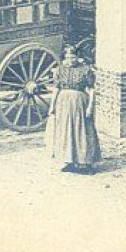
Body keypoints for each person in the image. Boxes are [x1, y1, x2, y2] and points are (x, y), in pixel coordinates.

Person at [47, 44, 101, 173]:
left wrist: (90, 107)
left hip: (80, 102)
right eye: (67, 57)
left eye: (73, 57)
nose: (70, 60)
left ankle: (86, 163)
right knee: (66, 131)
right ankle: (69, 161)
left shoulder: (85, 70)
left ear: (78, 57)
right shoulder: (60, 70)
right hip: (63, 103)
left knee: (82, 130)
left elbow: (92, 90)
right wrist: (52, 106)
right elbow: (56, 88)